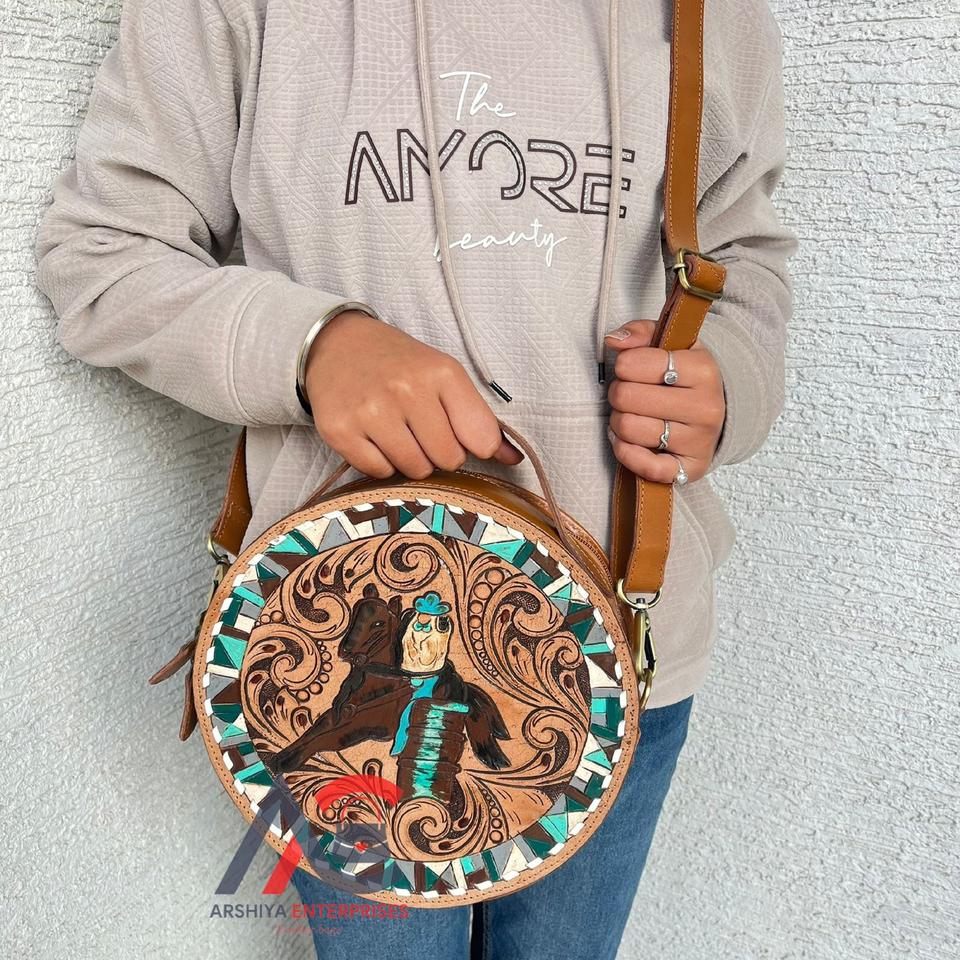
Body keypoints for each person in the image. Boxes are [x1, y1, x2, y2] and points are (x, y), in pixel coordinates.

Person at [34, 0, 798, 957]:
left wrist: (728, 384)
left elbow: (741, 263)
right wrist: (310, 347)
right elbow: (101, 254)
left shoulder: (709, 14)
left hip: (619, 649)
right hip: (339, 664)